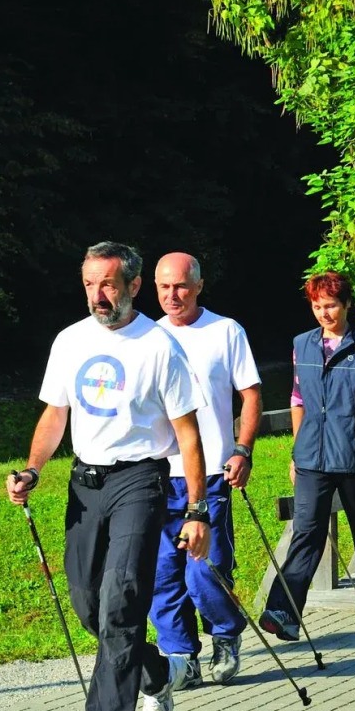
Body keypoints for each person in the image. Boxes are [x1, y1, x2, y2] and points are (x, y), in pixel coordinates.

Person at [7, 241, 210, 711]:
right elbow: (56, 415)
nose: (98, 295)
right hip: (85, 483)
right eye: (90, 285)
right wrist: (33, 470)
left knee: (122, 601)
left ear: (133, 286)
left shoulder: (160, 347)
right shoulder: (70, 341)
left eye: (108, 285)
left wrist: (197, 509)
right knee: (88, 606)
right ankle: (156, 672)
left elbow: (189, 437)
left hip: (140, 481)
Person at [150, 252, 262, 687]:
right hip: (158, 474)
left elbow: (250, 395)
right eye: (163, 287)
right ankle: (181, 656)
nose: (171, 295)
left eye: (179, 286)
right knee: (163, 573)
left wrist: (243, 449)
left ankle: (225, 634)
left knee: (205, 570)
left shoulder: (225, 330)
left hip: (211, 472)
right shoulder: (146, 336)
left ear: (198, 286)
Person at [262, 271, 355, 638]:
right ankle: (284, 611)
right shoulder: (301, 344)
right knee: (306, 532)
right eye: (317, 306)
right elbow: (298, 398)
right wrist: (296, 451)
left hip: (353, 452)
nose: (324, 313)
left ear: (347, 304)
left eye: (331, 305)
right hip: (311, 458)